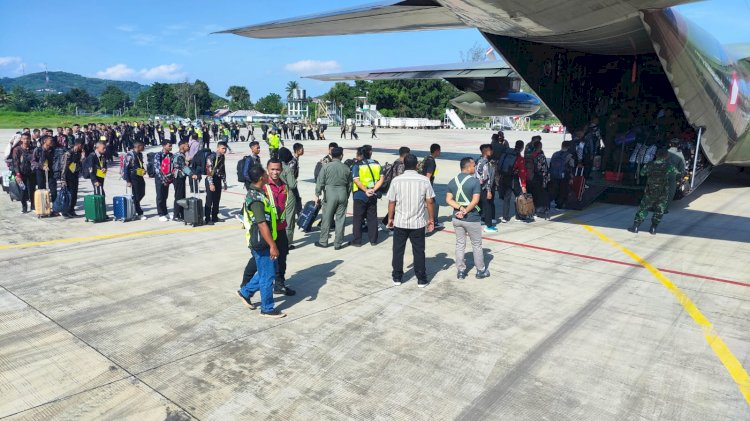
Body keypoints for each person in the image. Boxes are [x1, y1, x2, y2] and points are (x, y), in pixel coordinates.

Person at [236, 165, 286, 318]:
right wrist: (272, 245)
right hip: (262, 242)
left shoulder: (258, 193)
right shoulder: (256, 198)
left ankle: (245, 292)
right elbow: (262, 224)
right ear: (260, 178)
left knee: (267, 271)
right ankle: (267, 308)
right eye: (265, 173)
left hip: (264, 240)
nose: (267, 175)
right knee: (267, 277)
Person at [386, 154, 435, 287]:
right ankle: (421, 278)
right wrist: (431, 219)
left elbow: (392, 201)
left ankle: (397, 277)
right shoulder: (424, 180)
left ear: (404, 165)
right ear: (417, 165)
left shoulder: (396, 180)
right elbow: (430, 201)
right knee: (419, 251)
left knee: (398, 250)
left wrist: (390, 218)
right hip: (418, 223)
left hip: (400, 222)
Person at [447, 157, 490, 279]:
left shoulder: (452, 181)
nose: (475, 167)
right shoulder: (474, 181)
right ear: (468, 166)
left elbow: (448, 199)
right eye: (474, 165)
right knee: (476, 245)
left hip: (457, 218)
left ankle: (461, 271)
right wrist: (466, 210)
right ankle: (480, 270)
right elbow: (475, 200)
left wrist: (460, 208)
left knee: (460, 244)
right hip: (472, 218)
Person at [628, 148, 679, 235]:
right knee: (659, 210)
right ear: (666, 156)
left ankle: (635, 227)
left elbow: (642, 173)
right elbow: (677, 173)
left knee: (643, 208)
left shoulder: (649, 164)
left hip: (650, 191)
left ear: (656, 155)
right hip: (663, 193)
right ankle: (653, 229)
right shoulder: (668, 165)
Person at [315, 147, 352, 249]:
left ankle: (323, 241)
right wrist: (347, 195)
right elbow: (350, 185)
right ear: (341, 156)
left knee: (326, 218)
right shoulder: (346, 168)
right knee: (340, 219)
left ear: (331, 155)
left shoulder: (326, 167)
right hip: (342, 193)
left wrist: (317, 194)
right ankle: (338, 243)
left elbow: (320, 181)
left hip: (330, 194)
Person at [351, 145, 384, 246]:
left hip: (360, 194)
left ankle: (357, 241)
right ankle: (373, 240)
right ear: (370, 153)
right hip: (373, 194)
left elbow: (356, 180)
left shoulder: (357, 165)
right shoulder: (376, 164)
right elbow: (381, 179)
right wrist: (373, 189)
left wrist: (366, 190)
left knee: (358, 218)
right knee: (372, 217)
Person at [496, 140, 527, 222]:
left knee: (507, 197)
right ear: (522, 147)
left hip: (504, 177)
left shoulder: (508, 153)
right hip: (514, 179)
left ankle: (505, 217)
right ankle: (519, 216)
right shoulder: (519, 158)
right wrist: (523, 185)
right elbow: (522, 172)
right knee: (519, 196)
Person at [121, 140, 148, 220]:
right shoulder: (130, 155)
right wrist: (128, 181)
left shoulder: (139, 154)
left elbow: (140, 164)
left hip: (139, 175)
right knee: (136, 195)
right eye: (142, 146)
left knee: (142, 193)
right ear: (138, 146)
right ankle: (139, 212)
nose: (144, 147)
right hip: (133, 177)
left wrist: (143, 170)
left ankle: (134, 206)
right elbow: (126, 168)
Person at [204, 141, 228, 225]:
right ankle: (207, 218)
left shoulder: (222, 157)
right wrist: (211, 184)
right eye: (223, 148)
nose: (224, 150)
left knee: (217, 199)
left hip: (218, 179)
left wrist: (224, 181)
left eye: (225, 148)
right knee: (209, 199)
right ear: (218, 148)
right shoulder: (211, 157)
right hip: (211, 179)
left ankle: (214, 216)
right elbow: (209, 170)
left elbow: (223, 169)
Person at [59, 138, 84, 217]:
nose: (83, 147)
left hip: (75, 175)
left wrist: (83, 157)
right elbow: (64, 167)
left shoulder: (79, 153)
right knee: (68, 194)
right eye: (82, 146)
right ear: (79, 145)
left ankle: (72, 210)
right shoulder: (68, 153)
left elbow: (80, 164)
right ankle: (65, 211)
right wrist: (63, 180)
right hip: (68, 176)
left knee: (74, 193)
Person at [285, 143, 304, 245]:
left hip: (293, 184)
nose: (303, 150)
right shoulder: (293, 161)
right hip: (291, 185)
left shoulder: (295, 159)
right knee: (296, 202)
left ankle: (301, 221)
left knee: (298, 202)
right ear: (297, 150)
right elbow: (290, 174)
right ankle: (302, 222)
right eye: (301, 149)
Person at [475, 144, 497, 232]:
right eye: (491, 150)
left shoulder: (478, 160)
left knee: (479, 204)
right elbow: (486, 178)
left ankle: (479, 218)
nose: (492, 152)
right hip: (484, 188)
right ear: (487, 151)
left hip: (478, 187)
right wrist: (488, 190)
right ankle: (488, 226)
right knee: (488, 206)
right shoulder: (485, 163)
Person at [548, 141, 575, 210]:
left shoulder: (555, 154)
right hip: (564, 175)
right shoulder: (569, 155)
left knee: (554, 189)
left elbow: (551, 164)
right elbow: (571, 166)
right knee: (563, 189)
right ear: (568, 147)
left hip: (554, 175)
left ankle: (549, 202)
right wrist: (572, 177)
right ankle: (560, 204)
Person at [420, 143, 442, 228]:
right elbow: (428, 176)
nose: (440, 152)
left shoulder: (426, 158)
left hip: (422, 184)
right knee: (433, 204)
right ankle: (433, 221)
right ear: (436, 151)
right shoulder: (431, 161)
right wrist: (427, 189)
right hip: (426, 186)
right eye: (439, 151)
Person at [12, 134, 35, 213]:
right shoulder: (17, 149)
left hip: (31, 173)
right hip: (21, 173)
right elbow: (15, 163)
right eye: (24, 139)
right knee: (23, 190)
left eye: (28, 139)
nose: (26, 140)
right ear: (21, 139)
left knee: (32, 190)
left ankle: (33, 205)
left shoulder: (33, 149)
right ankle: (24, 206)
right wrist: (18, 174)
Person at [32, 135, 57, 206]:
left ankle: (55, 206)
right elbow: (33, 161)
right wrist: (42, 166)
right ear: (44, 141)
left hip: (50, 170)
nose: (52, 142)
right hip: (40, 171)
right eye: (50, 140)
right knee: (42, 189)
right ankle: (43, 206)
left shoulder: (53, 150)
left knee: (53, 189)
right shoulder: (38, 150)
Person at [527, 139, 550, 215]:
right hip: (538, 178)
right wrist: (546, 180)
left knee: (532, 194)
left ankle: (530, 209)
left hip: (530, 178)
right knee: (538, 195)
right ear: (540, 147)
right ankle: (538, 210)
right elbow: (544, 169)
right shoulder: (541, 156)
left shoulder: (530, 155)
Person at [172, 140, 193, 222]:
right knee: (178, 196)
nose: (188, 147)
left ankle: (181, 214)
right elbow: (183, 167)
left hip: (180, 178)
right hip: (178, 178)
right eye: (187, 145)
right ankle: (176, 215)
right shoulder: (179, 156)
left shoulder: (180, 155)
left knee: (181, 196)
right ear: (181, 146)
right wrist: (191, 174)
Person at [153, 141, 174, 222]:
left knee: (165, 196)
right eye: (169, 145)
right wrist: (163, 179)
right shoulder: (158, 155)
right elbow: (157, 168)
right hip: (160, 179)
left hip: (168, 179)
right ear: (164, 146)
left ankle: (165, 212)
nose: (170, 147)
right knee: (160, 196)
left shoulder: (170, 155)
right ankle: (161, 213)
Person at [666, 139, 686, 211]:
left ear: (670, 144)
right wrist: (678, 178)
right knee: (670, 192)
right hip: (672, 176)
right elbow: (682, 169)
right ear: (679, 145)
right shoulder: (680, 155)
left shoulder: (664, 152)